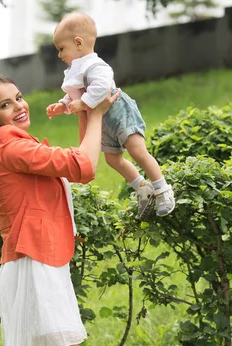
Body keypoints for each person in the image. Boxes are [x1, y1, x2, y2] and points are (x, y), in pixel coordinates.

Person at [0, 72, 118, 346]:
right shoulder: (7, 144)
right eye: (5, 105)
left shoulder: (4, 143)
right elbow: (83, 166)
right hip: (35, 266)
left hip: (35, 263)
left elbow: (80, 158)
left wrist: (88, 110)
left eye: (18, 97)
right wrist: (96, 116)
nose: (19, 106)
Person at [46, 11, 176, 219]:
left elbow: (102, 85)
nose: (60, 55)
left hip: (119, 111)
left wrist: (84, 102)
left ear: (78, 43)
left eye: (62, 49)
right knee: (113, 159)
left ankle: (163, 189)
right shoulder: (74, 69)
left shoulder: (94, 65)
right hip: (102, 119)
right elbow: (75, 94)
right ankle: (143, 188)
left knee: (137, 151)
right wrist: (63, 104)